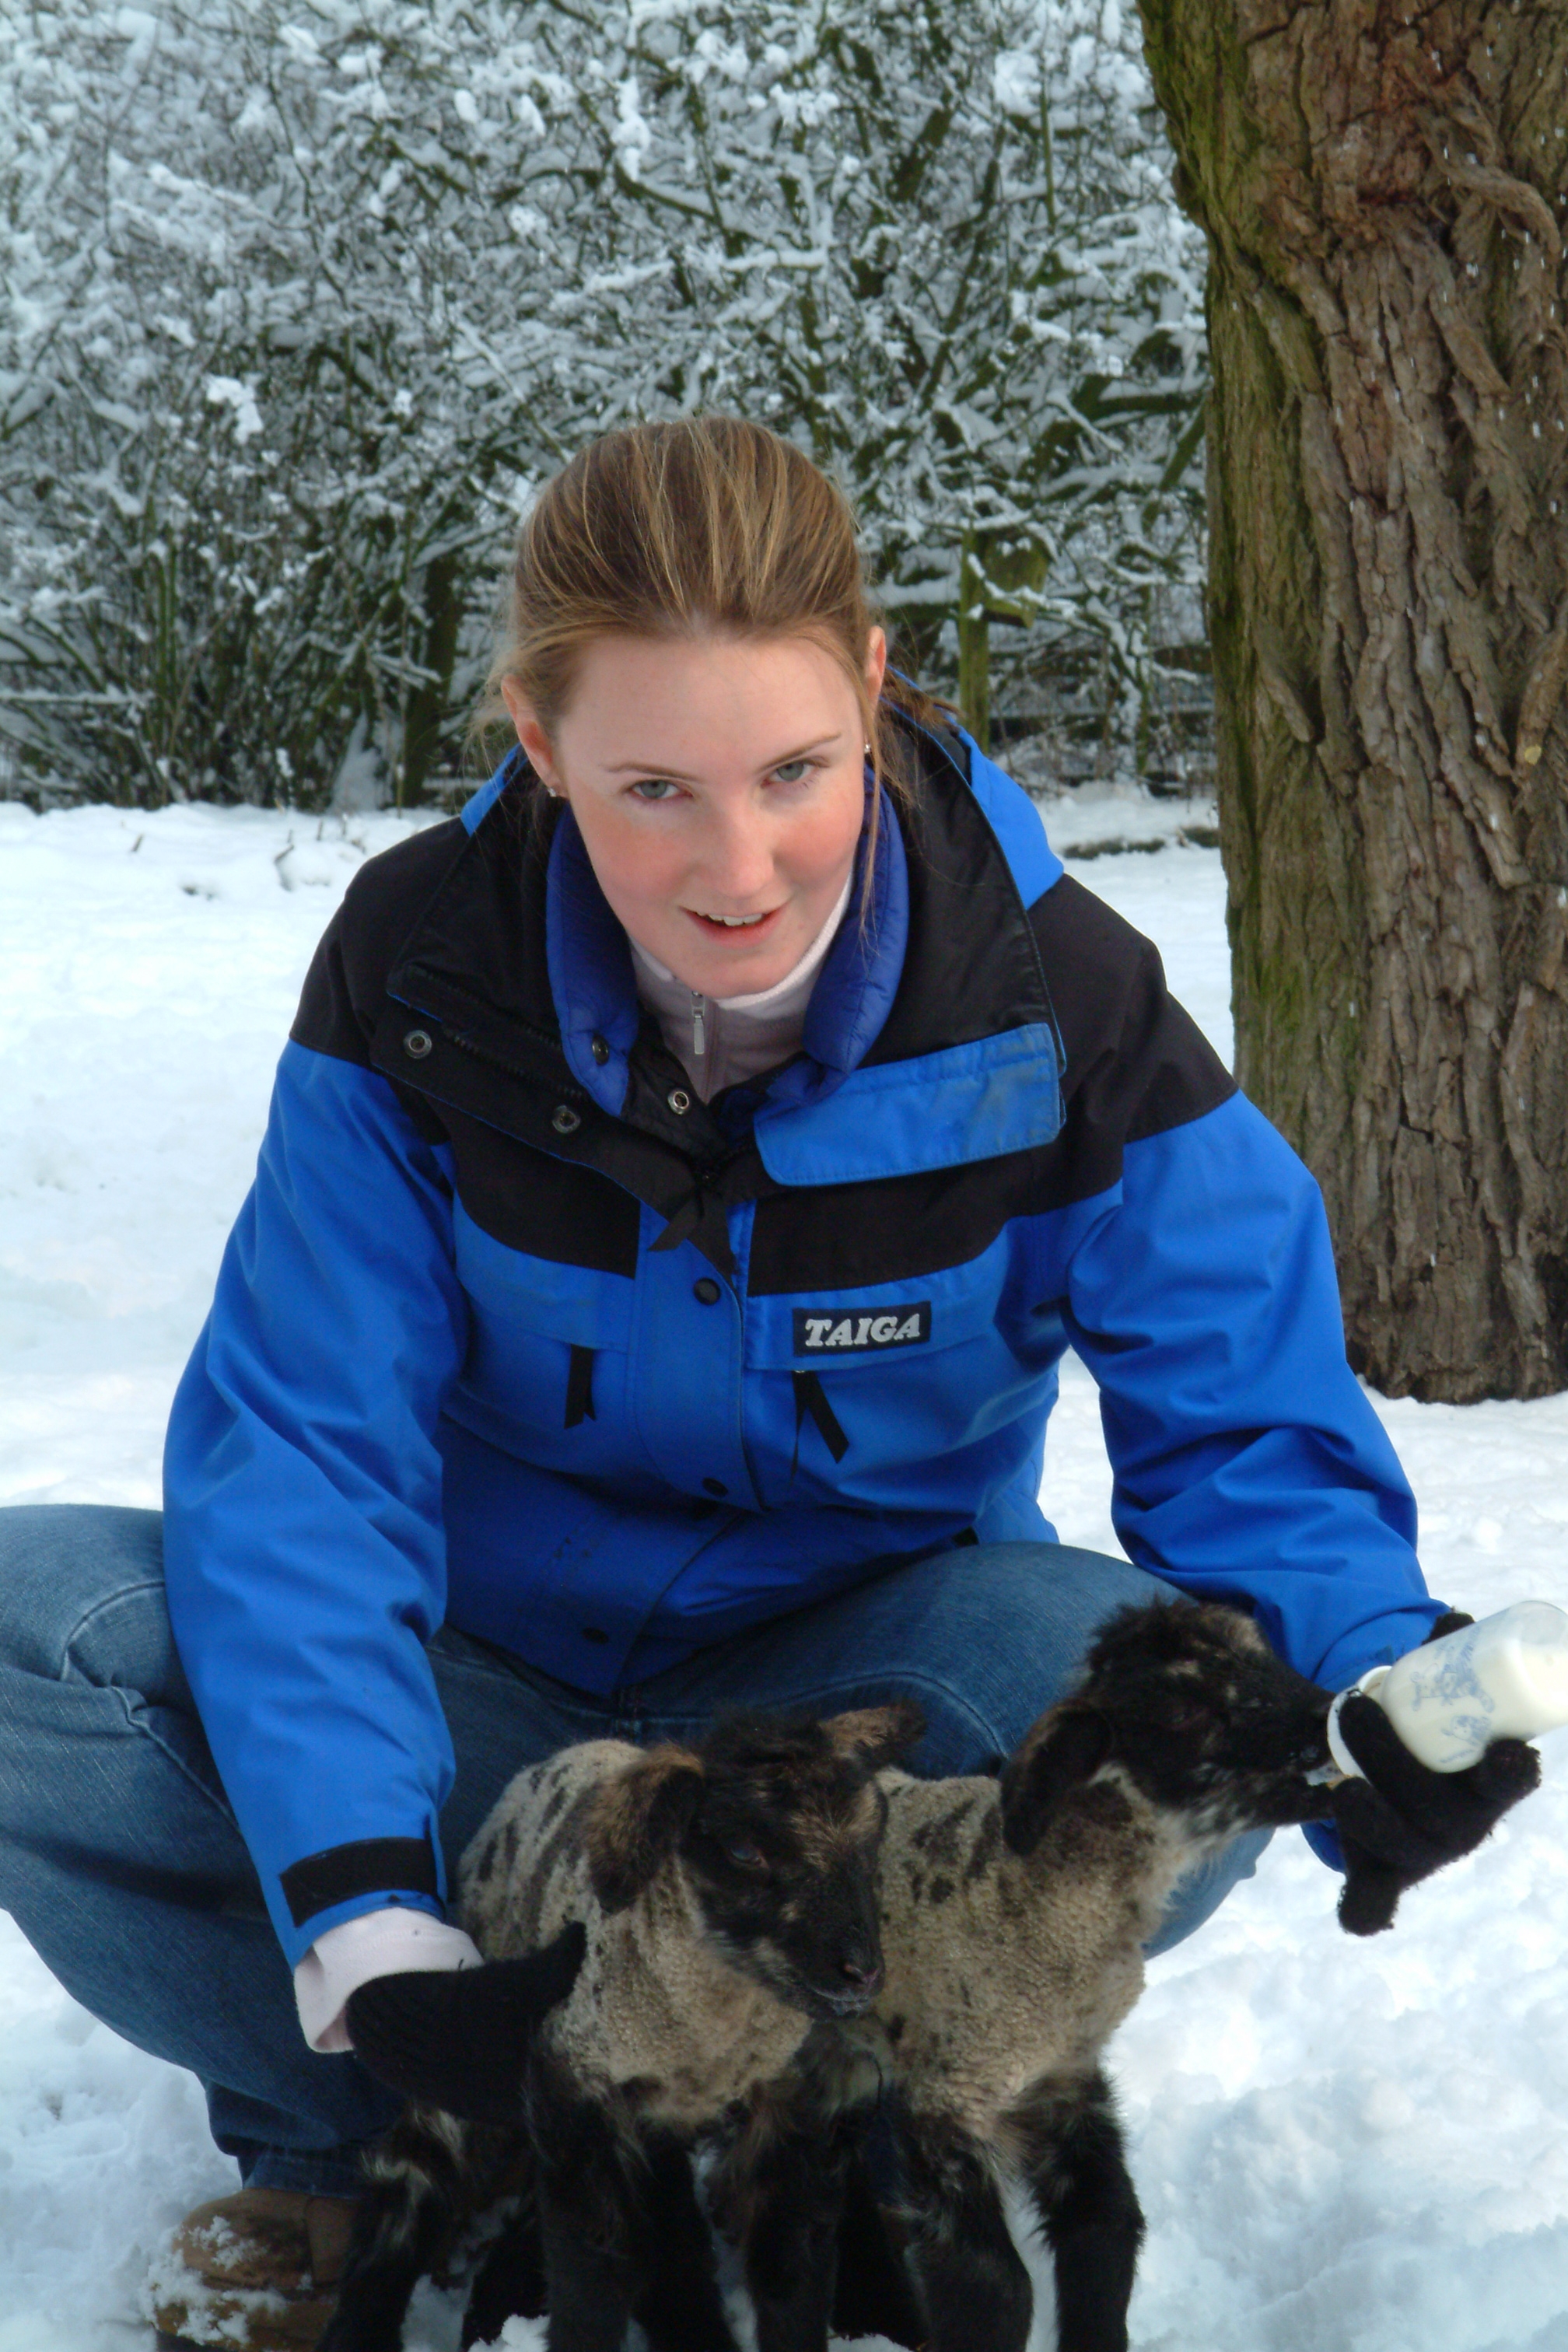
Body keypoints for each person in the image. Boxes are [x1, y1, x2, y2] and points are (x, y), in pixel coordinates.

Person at [0, 418, 1534, 2352]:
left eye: (795, 771)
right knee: (37, 1632)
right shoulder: (419, 971)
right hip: (483, 1708)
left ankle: (852, 2144)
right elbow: (304, 1458)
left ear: (871, 690)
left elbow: (1246, 1426)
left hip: (860, 1716)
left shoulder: (1056, 1002)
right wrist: (367, 1905)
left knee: (1121, 1680)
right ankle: (373, 2134)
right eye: (653, 789)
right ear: (540, 747)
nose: (739, 869)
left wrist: (1377, 1685)